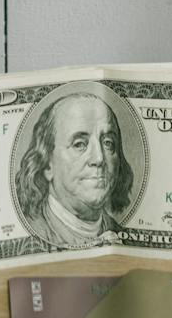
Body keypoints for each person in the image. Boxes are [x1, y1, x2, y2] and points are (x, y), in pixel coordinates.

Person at [13, 91, 132, 249]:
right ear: (47, 163)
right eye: (79, 144)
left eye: (108, 143)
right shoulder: (28, 235)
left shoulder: (126, 240)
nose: (99, 158)